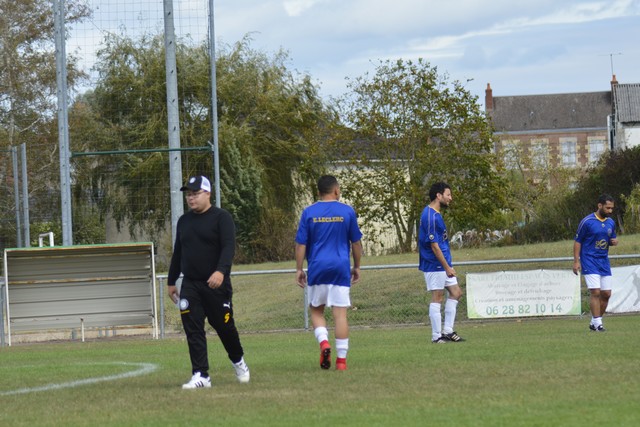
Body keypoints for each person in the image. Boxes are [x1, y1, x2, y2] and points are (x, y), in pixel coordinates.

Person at [168, 175, 250, 389]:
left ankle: (238, 360)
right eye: (188, 194)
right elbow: (178, 252)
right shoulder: (184, 221)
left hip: (216, 285)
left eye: (195, 193)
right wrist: (171, 281)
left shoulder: (222, 218)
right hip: (191, 284)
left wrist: (221, 271)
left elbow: (228, 247)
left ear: (208, 194)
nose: (191, 198)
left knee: (224, 327)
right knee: (193, 328)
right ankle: (201, 375)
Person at [295, 175, 363, 371]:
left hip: (317, 267)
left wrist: (299, 269)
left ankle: (324, 343)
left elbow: (301, 244)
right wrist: (357, 266)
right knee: (340, 315)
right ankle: (341, 362)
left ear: (318, 192)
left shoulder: (308, 212)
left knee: (316, 310)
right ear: (336, 190)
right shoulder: (347, 211)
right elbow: (356, 243)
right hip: (340, 267)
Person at [418, 182, 465, 344]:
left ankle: (448, 331)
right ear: (439, 195)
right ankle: (436, 336)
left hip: (444, 263)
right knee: (437, 297)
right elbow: (434, 245)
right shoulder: (430, 216)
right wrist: (446, 267)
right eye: (448, 195)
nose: (450, 198)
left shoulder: (436, 214)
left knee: (456, 293)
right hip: (434, 263)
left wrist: (448, 265)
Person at [573, 193, 618, 332]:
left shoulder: (611, 222)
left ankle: (594, 322)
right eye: (608, 208)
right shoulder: (587, 221)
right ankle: (598, 324)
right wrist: (576, 261)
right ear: (600, 205)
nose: (610, 211)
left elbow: (611, 239)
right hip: (589, 259)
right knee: (595, 292)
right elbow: (578, 241)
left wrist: (614, 242)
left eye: (612, 208)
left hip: (603, 261)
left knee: (606, 294)